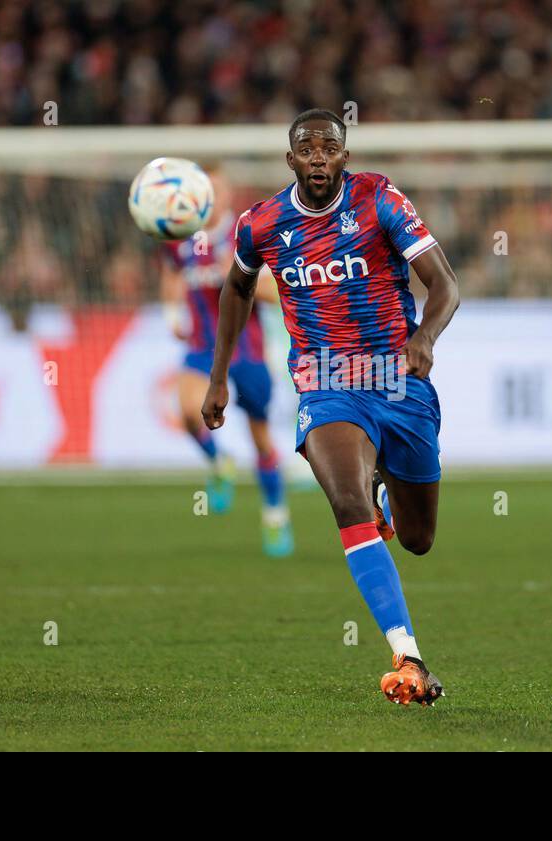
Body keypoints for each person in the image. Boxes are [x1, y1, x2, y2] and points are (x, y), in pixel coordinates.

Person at [202, 109, 461, 706]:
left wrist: (423, 338)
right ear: (290, 159)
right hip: (326, 382)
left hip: (400, 383)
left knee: (419, 539)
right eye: (307, 148)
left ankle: (387, 498)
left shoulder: (379, 199)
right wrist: (219, 377)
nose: (318, 155)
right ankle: (408, 656)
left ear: (344, 156)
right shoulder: (261, 222)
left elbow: (445, 285)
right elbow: (237, 287)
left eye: (330, 146)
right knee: (346, 500)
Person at [159, 169, 293, 557]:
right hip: (203, 347)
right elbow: (171, 275)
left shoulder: (247, 234)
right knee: (186, 411)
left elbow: (276, 291)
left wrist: (237, 278)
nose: (211, 196)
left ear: (229, 193)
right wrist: (172, 313)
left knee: (261, 438)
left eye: (218, 189)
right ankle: (218, 463)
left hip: (246, 350)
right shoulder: (180, 237)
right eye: (205, 189)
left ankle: (275, 515)